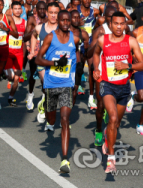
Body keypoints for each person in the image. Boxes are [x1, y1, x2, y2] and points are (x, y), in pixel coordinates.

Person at [92, 11, 143, 173]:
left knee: (116, 123)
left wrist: (127, 66)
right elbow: (95, 53)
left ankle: (109, 136)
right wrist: (96, 68)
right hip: (107, 85)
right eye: (116, 23)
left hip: (123, 88)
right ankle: (111, 159)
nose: (119, 27)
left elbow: (142, 65)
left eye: (123, 24)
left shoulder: (131, 42)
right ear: (110, 24)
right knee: (113, 117)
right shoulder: (103, 40)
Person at [35, 10, 80, 173]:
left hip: (66, 84)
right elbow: (38, 59)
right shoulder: (50, 37)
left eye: (69, 20)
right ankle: (44, 106)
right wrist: (55, 63)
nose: (67, 23)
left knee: (65, 120)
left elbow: (77, 58)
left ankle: (65, 160)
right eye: (63, 20)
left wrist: (75, 81)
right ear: (58, 21)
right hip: (51, 84)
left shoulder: (74, 39)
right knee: (52, 119)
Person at [88, 6, 131, 147]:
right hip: (103, 74)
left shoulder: (125, 31)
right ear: (106, 19)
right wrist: (95, 68)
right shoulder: (100, 32)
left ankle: (109, 125)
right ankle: (99, 130)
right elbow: (92, 52)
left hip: (120, 77)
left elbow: (132, 51)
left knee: (115, 116)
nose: (117, 24)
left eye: (120, 22)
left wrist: (131, 66)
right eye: (109, 17)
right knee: (100, 104)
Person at [27, 2, 60, 120]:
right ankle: (44, 106)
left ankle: (46, 104)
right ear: (47, 13)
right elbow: (33, 36)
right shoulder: (40, 27)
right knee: (47, 85)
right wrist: (32, 51)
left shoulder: (61, 29)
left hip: (56, 64)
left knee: (53, 89)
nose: (53, 15)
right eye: (51, 12)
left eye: (56, 13)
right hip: (42, 62)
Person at [23, 1, 48, 110]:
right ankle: (30, 94)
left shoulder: (49, 20)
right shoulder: (32, 19)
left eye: (44, 9)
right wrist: (35, 31)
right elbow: (25, 37)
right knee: (33, 74)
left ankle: (43, 98)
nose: (42, 11)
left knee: (45, 77)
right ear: (36, 10)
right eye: (40, 9)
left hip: (45, 52)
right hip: (34, 51)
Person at [4, 1, 27, 106]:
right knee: (10, 77)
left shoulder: (24, 22)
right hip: (8, 52)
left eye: (19, 9)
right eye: (15, 9)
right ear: (12, 10)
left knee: (17, 78)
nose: (17, 10)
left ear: (21, 10)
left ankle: (11, 98)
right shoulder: (8, 22)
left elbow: (25, 39)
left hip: (18, 53)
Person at [69, 10, 89, 99]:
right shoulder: (63, 32)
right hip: (66, 64)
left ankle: (68, 111)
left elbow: (87, 51)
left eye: (78, 17)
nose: (77, 19)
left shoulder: (83, 34)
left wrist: (81, 64)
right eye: (74, 17)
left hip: (77, 65)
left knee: (74, 92)